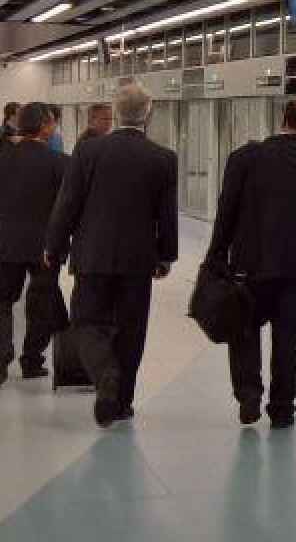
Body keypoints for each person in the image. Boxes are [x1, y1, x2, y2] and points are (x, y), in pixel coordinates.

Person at [43, 84, 176, 427]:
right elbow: (166, 213)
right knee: (132, 330)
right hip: (138, 259)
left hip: (92, 254)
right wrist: (165, 256)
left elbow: (67, 204)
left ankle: (105, 376)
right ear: (147, 114)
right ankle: (122, 403)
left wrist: (53, 246)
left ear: (115, 113)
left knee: (85, 321)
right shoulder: (162, 157)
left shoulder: (88, 152)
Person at [207, 99, 296, 428]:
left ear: (282, 119)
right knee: (291, 338)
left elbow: (227, 209)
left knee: (244, 330)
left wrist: (216, 253)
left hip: (249, 265)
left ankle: (249, 396)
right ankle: (282, 407)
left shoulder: (245, 157)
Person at [0, 104, 69, 385]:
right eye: (52, 122)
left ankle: (1, 360)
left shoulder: (2, 158)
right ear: (44, 127)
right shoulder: (61, 163)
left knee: (2, 301)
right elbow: (68, 208)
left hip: (4, 243)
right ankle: (31, 360)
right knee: (41, 303)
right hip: (45, 247)